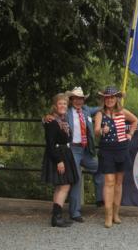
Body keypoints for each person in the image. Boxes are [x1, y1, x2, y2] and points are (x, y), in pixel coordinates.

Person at [94, 85, 138, 228]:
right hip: (107, 150)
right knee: (109, 182)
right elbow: (95, 132)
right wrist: (102, 130)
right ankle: (107, 216)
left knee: (119, 182)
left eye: (112, 97)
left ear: (116, 99)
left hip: (122, 149)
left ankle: (116, 214)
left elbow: (135, 120)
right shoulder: (100, 114)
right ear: (104, 99)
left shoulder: (122, 112)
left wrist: (130, 134)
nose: (110, 100)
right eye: (107, 98)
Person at [64, 87, 104, 222]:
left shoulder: (87, 110)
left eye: (80, 98)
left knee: (100, 168)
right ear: (71, 100)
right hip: (73, 149)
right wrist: (46, 118)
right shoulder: (66, 112)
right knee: (76, 179)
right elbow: (54, 115)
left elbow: (101, 109)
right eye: (75, 98)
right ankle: (75, 212)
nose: (78, 101)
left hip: (87, 150)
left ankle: (99, 199)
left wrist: (114, 101)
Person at [41, 93, 79, 227]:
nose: (63, 106)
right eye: (60, 103)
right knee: (64, 186)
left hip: (64, 153)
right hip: (58, 155)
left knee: (60, 186)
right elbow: (50, 144)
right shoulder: (52, 122)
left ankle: (56, 216)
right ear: (55, 106)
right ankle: (56, 217)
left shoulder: (62, 120)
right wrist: (59, 161)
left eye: (65, 103)